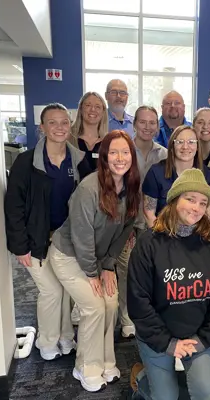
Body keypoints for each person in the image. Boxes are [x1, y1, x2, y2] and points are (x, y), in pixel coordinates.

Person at [128, 168, 210, 400]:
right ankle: (142, 379)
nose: (197, 208)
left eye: (203, 203)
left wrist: (204, 339)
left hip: (197, 335)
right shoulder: (149, 243)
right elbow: (138, 301)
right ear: (175, 200)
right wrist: (168, 343)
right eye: (190, 199)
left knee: (207, 393)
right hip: (156, 335)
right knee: (165, 397)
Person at [49, 131, 140, 392]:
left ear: (132, 157)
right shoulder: (89, 189)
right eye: (114, 152)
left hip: (98, 259)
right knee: (94, 307)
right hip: (69, 256)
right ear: (104, 156)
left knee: (110, 303)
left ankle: (105, 361)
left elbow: (126, 230)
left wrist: (108, 265)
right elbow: (81, 236)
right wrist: (92, 273)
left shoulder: (132, 187)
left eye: (125, 152)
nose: (120, 158)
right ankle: (86, 366)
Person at [4, 103, 91, 361]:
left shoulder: (79, 160)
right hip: (36, 240)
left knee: (65, 290)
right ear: (42, 127)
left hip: (68, 241)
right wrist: (20, 246)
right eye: (52, 122)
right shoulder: (26, 162)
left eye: (64, 122)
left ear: (70, 125)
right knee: (52, 291)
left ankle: (65, 337)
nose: (59, 127)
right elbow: (14, 206)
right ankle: (47, 341)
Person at [116, 106, 167, 339]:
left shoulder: (164, 154)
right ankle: (127, 318)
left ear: (157, 126)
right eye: (143, 122)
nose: (147, 127)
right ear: (134, 124)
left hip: (154, 223)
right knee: (127, 270)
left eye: (152, 122)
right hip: (127, 222)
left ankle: (151, 314)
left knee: (153, 272)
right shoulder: (124, 150)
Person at [143, 125, 210, 228]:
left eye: (191, 142)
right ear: (172, 146)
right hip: (161, 232)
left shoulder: (207, 175)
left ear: (198, 146)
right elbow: (149, 214)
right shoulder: (156, 172)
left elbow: (206, 214)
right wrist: (159, 236)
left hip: (194, 233)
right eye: (180, 142)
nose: (185, 147)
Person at [70, 91, 108, 170]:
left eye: (98, 107)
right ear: (81, 109)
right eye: (88, 105)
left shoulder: (109, 142)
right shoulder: (68, 139)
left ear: (103, 112)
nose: (93, 109)